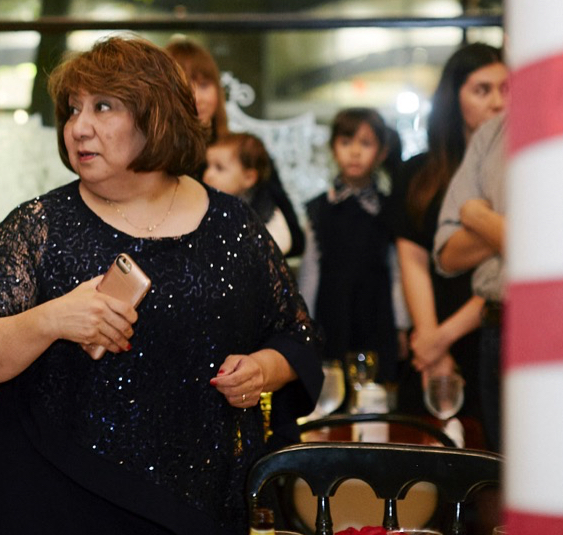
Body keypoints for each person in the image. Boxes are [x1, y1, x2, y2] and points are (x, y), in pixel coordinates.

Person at [0, 37, 320, 535]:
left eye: (103, 108)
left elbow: (295, 333)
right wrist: (52, 318)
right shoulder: (40, 227)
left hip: (198, 512)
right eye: (72, 110)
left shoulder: (233, 225)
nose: (79, 128)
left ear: (157, 116)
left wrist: (265, 370)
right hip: (57, 512)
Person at [395, 45, 507, 431]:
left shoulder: (516, 171)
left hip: (487, 325)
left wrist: (445, 336)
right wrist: (430, 339)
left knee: (492, 467)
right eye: (482, 89)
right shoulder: (419, 173)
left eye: (506, 89)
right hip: (427, 340)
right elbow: (416, 259)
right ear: (453, 97)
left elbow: (515, 260)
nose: (497, 102)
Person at [296, 110, 402, 382]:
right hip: (331, 313)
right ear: (333, 148)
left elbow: (397, 270)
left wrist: (402, 326)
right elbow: (311, 269)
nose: (355, 152)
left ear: (381, 152)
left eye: (365, 144)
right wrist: (303, 324)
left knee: (377, 389)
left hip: (376, 313)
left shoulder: (389, 208)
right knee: (332, 385)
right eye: (346, 143)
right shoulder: (318, 208)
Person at [435, 99, 506, 450]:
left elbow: (553, 248)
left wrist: (478, 217)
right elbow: (447, 253)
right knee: (506, 470)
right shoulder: (494, 133)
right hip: (498, 327)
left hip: (557, 313)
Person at [205, 132, 297, 258]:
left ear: (249, 178)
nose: (208, 174)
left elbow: (282, 242)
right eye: (207, 166)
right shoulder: (208, 204)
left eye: (219, 168)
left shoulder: (264, 211)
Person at [166, 39, 228, 138]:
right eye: (186, 88)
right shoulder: (152, 151)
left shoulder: (236, 149)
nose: (197, 99)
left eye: (204, 85)